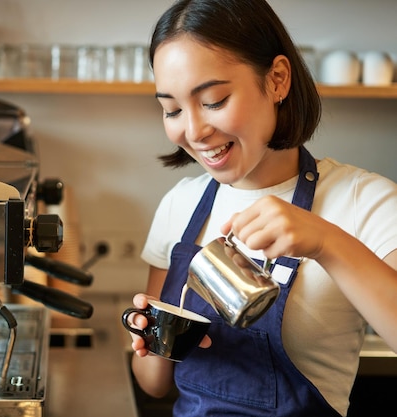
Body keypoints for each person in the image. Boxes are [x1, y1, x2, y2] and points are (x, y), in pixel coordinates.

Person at [126, 0, 397, 416]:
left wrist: (326, 242)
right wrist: (153, 338)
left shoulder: (365, 201)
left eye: (214, 100)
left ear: (277, 80)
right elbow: (154, 384)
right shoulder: (179, 204)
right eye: (173, 109)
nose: (195, 131)